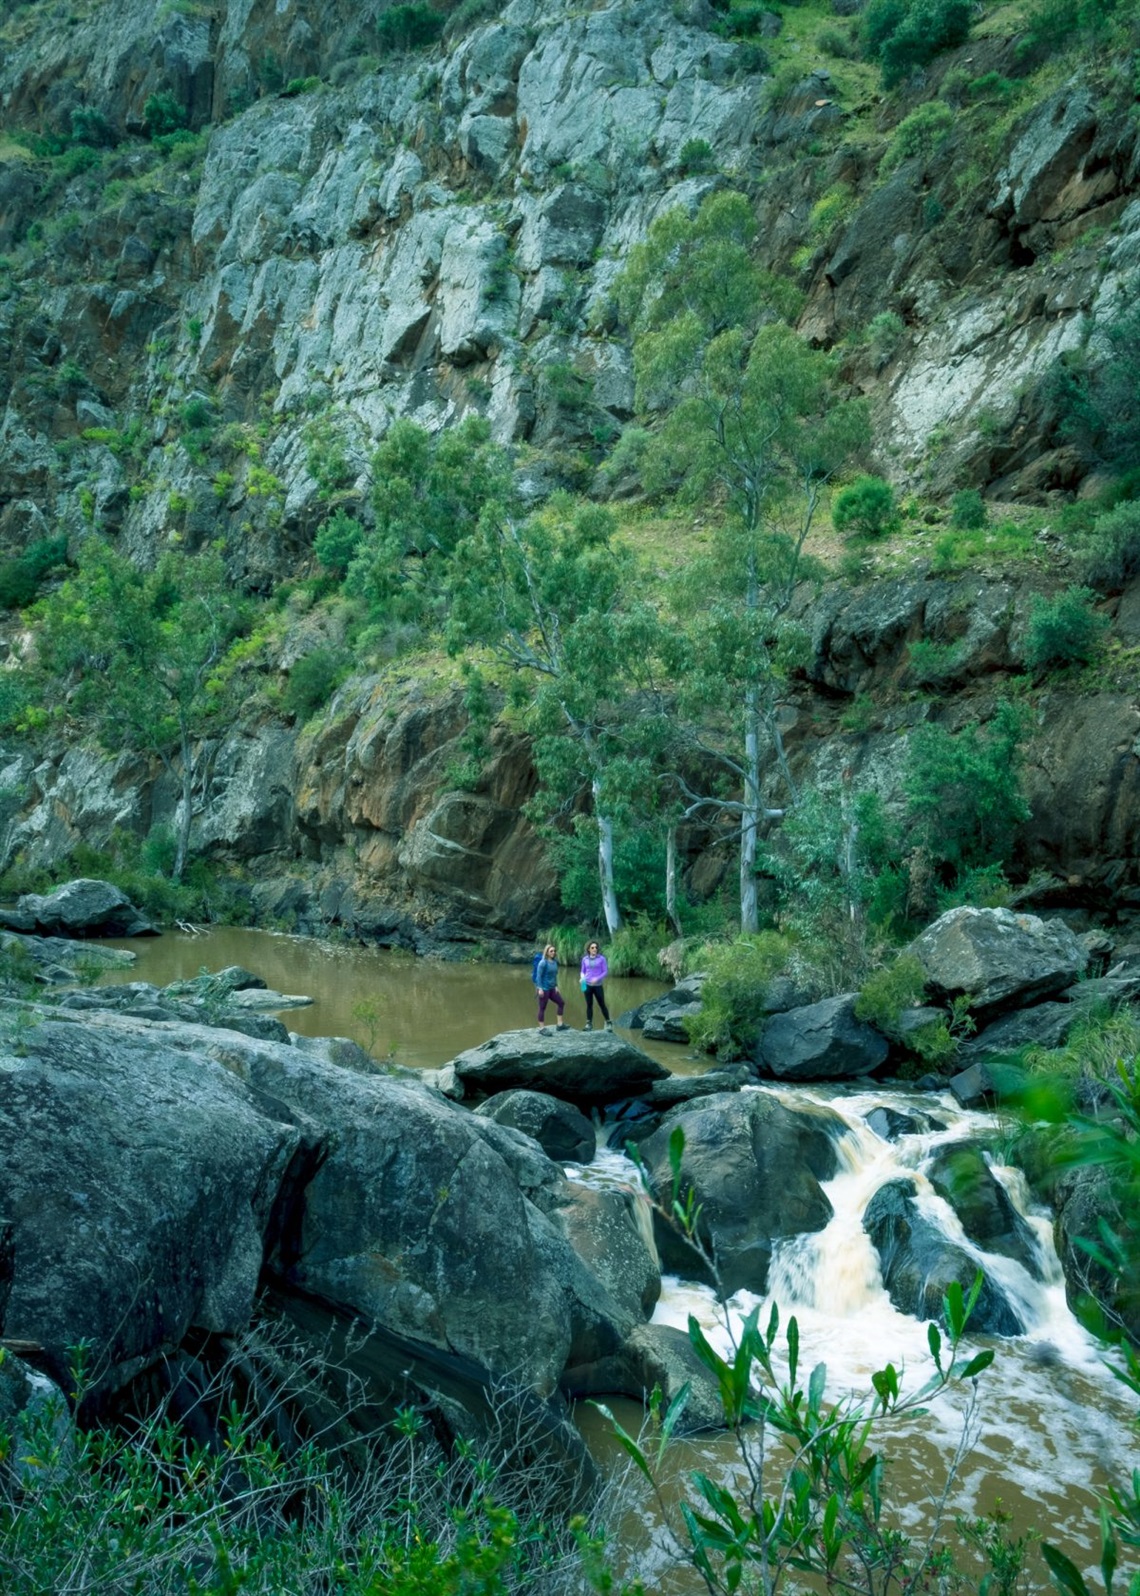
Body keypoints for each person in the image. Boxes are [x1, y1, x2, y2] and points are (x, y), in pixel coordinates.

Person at [579, 940, 613, 1031]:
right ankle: (589, 1024)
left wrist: (597, 978)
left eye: (596, 947)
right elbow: (582, 971)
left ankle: (608, 1022)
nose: (595, 949)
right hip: (586, 984)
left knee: (602, 1004)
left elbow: (605, 972)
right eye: (592, 948)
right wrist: (582, 977)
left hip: (598, 985)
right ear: (589, 949)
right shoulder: (585, 959)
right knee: (589, 1004)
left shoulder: (601, 959)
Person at [535, 943, 568, 1033]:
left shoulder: (554, 962)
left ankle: (560, 1024)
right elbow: (538, 976)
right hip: (544, 989)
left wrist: (556, 986)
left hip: (552, 988)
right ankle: (542, 1028)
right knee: (542, 1008)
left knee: (561, 1003)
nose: (553, 952)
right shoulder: (543, 962)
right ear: (547, 952)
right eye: (551, 951)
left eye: (554, 951)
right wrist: (540, 988)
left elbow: (554, 976)